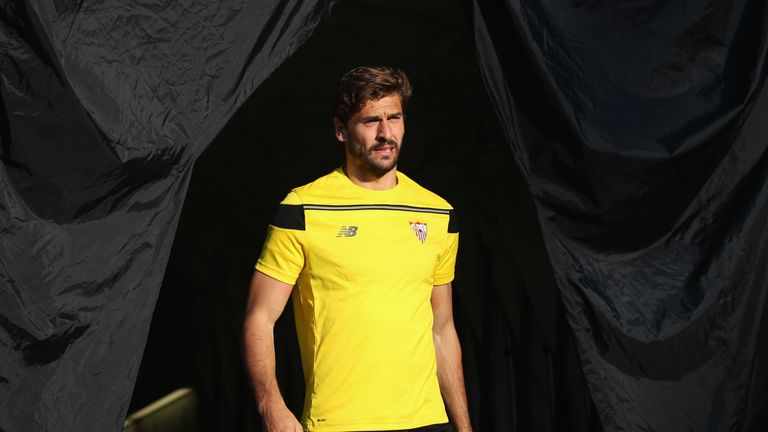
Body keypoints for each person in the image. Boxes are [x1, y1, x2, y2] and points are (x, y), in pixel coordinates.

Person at [243, 66, 472, 432]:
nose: (386, 133)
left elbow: (442, 329)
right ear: (340, 129)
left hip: (428, 423)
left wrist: (463, 426)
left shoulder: (438, 213)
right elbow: (260, 317)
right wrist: (271, 405)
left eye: (394, 117)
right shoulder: (303, 208)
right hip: (339, 423)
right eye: (370, 121)